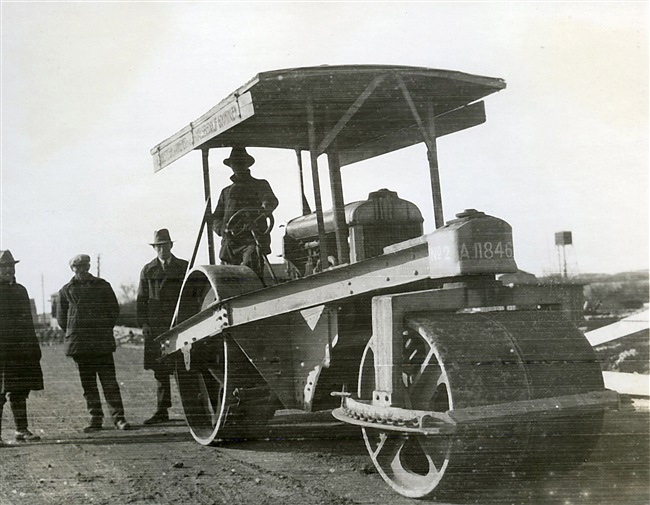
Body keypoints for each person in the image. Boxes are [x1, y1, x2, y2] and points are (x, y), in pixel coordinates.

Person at [57, 254, 130, 432]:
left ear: (89, 267)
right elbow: (61, 319)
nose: (82, 270)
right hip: (80, 345)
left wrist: (102, 328)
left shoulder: (102, 285)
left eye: (84, 267)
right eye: (78, 268)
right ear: (72, 269)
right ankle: (95, 418)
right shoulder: (66, 290)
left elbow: (113, 309)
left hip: (101, 343)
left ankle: (118, 418)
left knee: (109, 382)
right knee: (88, 384)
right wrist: (76, 330)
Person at [137, 229, 188, 425]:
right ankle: (162, 410)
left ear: (171, 246)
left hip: (179, 324)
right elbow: (141, 298)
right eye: (158, 246)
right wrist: (144, 323)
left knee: (183, 367)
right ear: (154, 248)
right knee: (160, 369)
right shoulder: (148, 269)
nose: (162, 249)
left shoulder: (184, 267)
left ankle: (192, 410)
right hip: (156, 326)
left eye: (165, 245)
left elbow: (193, 294)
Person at [212, 147, 278, 279]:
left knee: (250, 271)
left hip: (252, 240)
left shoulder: (260, 185)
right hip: (229, 245)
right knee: (226, 279)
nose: (237, 166)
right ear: (230, 166)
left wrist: (263, 209)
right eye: (234, 163)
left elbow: (270, 201)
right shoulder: (226, 192)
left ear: (247, 164)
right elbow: (215, 218)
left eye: (241, 162)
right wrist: (223, 229)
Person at [0, 250, 43, 444]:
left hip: (19, 350)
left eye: (11, 266)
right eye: (4, 267)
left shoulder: (20, 290)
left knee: (18, 390)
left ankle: (21, 429)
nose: (9, 270)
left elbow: (28, 322)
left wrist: (33, 347)